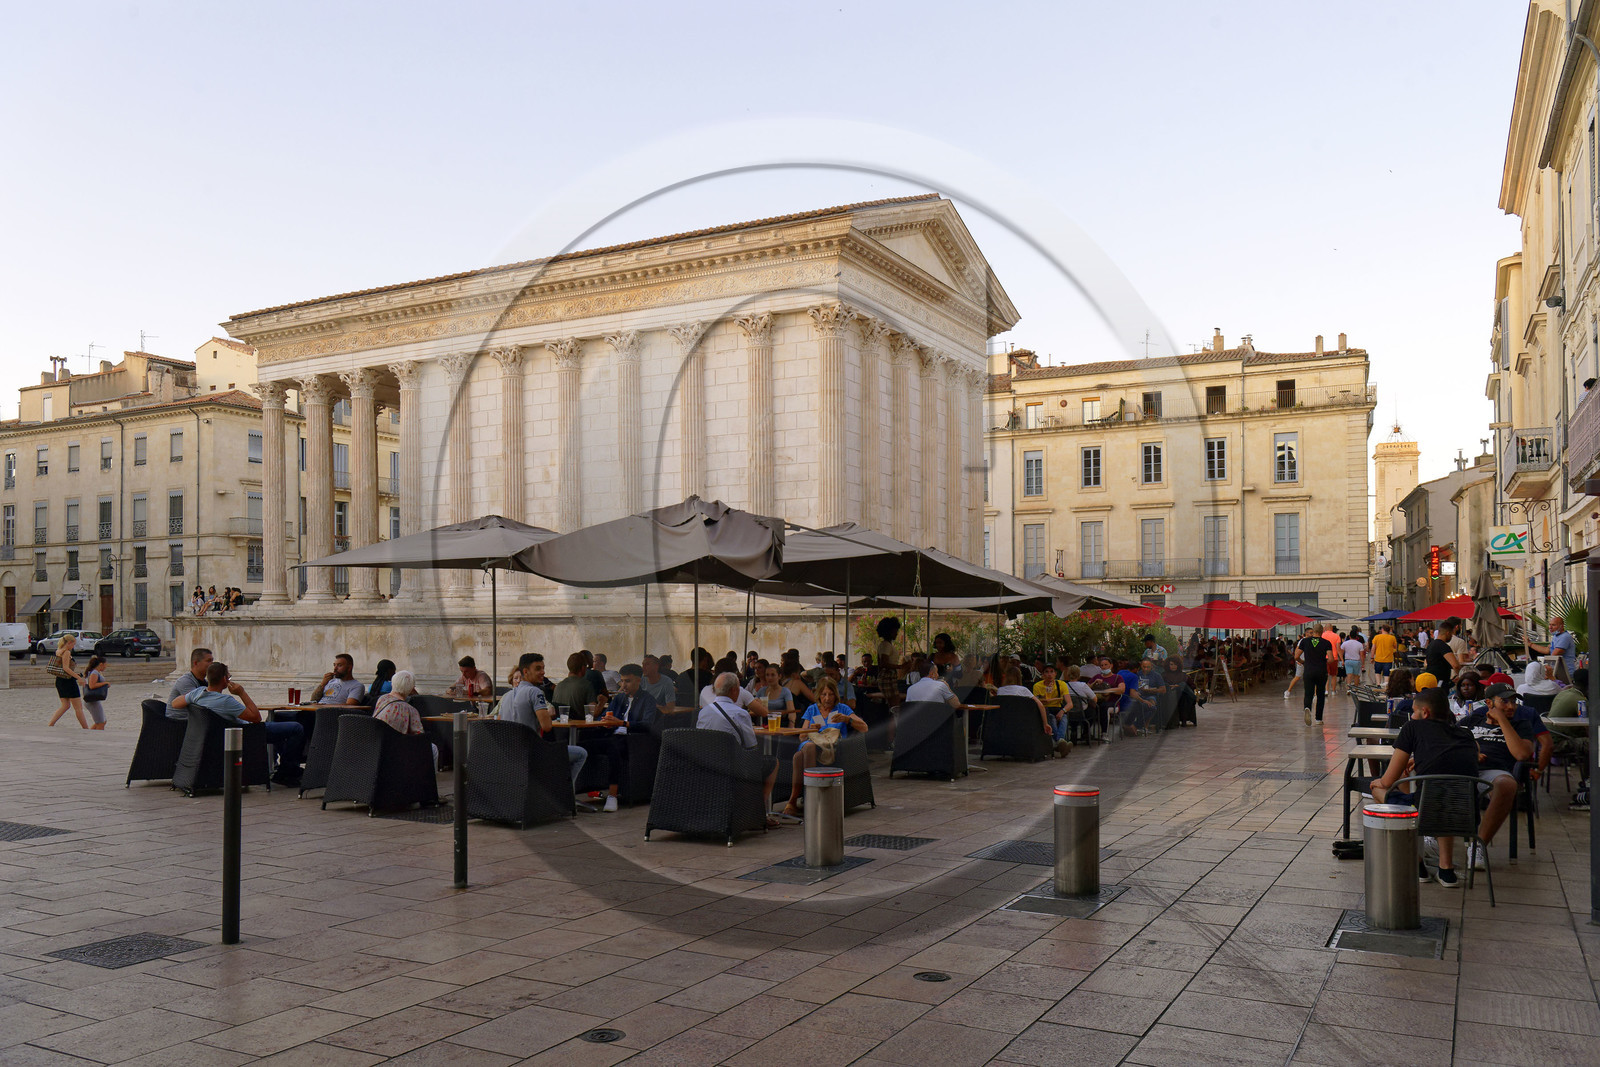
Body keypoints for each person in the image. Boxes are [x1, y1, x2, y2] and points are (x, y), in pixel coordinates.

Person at [1368, 686, 1480, 886]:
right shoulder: (1466, 734)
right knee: (1443, 795)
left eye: (1413, 711)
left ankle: (1417, 863)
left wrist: (1379, 782)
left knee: (1379, 790)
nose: (1411, 714)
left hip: (1425, 811)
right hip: (1466, 814)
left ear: (1425, 713)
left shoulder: (1412, 728)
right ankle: (1446, 870)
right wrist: (1418, 759)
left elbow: (1388, 779)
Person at [1458, 683, 1553, 870]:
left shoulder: (1520, 725)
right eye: (1505, 702)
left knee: (1507, 785)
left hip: (1495, 772)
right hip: (1464, 768)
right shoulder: (1471, 721)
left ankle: (1478, 846)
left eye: (1514, 702)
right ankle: (1432, 841)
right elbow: (1451, 743)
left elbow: (1521, 754)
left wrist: (1502, 720)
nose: (1511, 706)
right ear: (1488, 703)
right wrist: (1472, 752)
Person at [189, 661, 304, 785]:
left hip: (224, 733)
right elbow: (256, 717)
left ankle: (283, 770)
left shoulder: (197, 694)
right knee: (296, 728)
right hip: (248, 733)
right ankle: (287, 771)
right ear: (225, 679)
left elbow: (175, 702)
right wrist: (242, 693)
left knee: (278, 720)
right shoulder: (225, 701)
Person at [778, 676, 869, 819]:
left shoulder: (842, 708)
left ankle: (795, 800)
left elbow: (864, 728)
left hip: (833, 749)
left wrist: (847, 719)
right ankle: (809, 798)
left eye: (831, 694)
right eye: (824, 694)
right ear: (818, 695)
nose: (827, 698)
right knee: (807, 748)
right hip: (812, 744)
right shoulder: (812, 709)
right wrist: (811, 730)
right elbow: (802, 736)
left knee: (799, 755)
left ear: (836, 695)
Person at [697, 673, 780, 826]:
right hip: (734, 767)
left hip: (707, 766)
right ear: (735, 691)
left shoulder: (703, 712)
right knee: (773, 762)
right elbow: (751, 747)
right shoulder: (740, 713)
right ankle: (755, 812)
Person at [500, 652, 588, 792]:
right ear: (525, 671)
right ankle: (564, 794)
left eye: (543, 668)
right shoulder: (535, 692)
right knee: (581, 753)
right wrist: (547, 714)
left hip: (509, 752)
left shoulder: (506, 696)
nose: (543, 672)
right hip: (532, 753)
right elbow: (546, 727)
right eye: (538, 668)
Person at [588, 663, 662, 811]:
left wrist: (622, 723)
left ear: (638, 681)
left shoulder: (648, 700)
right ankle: (587, 787)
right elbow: (605, 715)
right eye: (622, 681)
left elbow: (647, 724)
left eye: (627, 681)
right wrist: (606, 722)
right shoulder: (619, 699)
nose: (623, 685)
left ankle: (612, 795)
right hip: (613, 736)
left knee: (613, 747)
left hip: (634, 741)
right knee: (584, 745)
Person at [1295, 625, 1334, 726]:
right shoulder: (1326, 643)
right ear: (1322, 631)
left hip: (1308, 670)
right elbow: (1331, 659)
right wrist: (1323, 661)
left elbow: (1296, 656)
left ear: (1313, 631)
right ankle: (1318, 719)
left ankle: (1307, 707)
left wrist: (1303, 662)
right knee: (1320, 694)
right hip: (1321, 671)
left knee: (1308, 693)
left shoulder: (1305, 641)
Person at [46, 633, 87, 728]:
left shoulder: (58, 651)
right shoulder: (66, 652)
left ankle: (51, 724)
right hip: (68, 681)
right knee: (78, 707)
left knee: (65, 705)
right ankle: (86, 728)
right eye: (73, 644)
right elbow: (66, 668)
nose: (73, 646)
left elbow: (63, 669)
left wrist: (76, 675)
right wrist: (78, 678)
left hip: (60, 680)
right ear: (69, 643)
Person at [1031, 663, 1073, 756]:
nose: (1049, 674)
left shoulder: (1061, 684)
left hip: (1058, 708)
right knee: (1052, 718)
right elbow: (1036, 702)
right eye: (1046, 672)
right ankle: (1061, 742)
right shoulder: (1037, 686)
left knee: (1064, 717)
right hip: (1045, 709)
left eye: (1051, 672)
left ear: (1055, 674)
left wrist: (1062, 711)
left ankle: (1059, 743)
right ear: (1043, 675)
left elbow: (1070, 704)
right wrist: (1045, 698)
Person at [166, 647, 214, 720]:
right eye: (208, 661)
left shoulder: (205, 682)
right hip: (178, 722)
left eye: (212, 661)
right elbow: (201, 703)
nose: (212, 664)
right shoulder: (185, 681)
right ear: (196, 663)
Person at [373, 670, 424, 736]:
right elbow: (420, 735)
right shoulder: (410, 710)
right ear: (411, 688)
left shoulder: (382, 699)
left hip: (376, 741)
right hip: (397, 744)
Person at [552, 651, 598, 716]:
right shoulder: (586, 685)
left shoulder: (558, 685)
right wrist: (602, 702)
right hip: (580, 725)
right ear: (583, 668)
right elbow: (593, 712)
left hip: (561, 724)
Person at [1424, 622, 1460, 687]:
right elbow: (1455, 665)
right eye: (1451, 634)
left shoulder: (1431, 645)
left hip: (1430, 679)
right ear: (1447, 633)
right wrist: (1461, 675)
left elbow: (1426, 662)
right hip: (1440, 681)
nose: (1451, 636)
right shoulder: (1443, 646)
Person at [81, 653, 109, 730]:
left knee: (102, 721)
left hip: (94, 699)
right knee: (100, 723)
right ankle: (97, 738)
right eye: (105, 664)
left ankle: (89, 734)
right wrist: (105, 683)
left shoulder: (94, 672)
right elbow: (92, 685)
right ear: (101, 664)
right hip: (92, 700)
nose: (106, 666)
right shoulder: (94, 672)